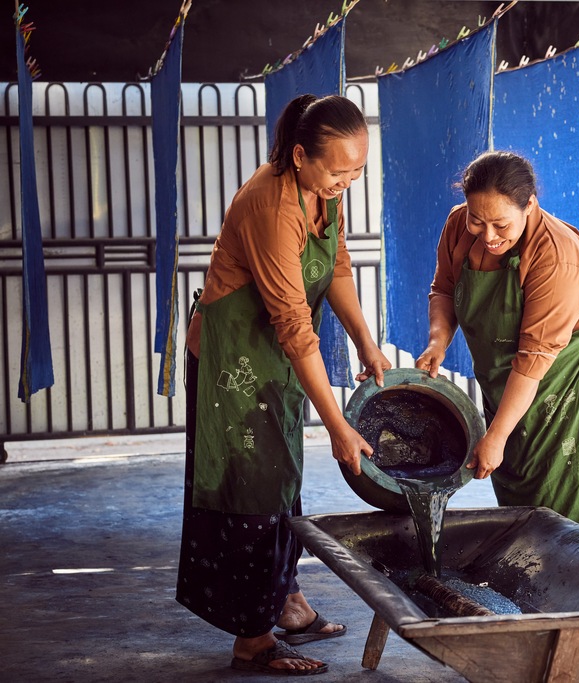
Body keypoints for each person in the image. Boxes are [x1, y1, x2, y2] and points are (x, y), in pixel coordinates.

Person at [176, 94, 390, 676]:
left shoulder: (322, 193)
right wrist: (339, 427)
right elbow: (295, 329)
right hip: (234, 360)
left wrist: (366, 343)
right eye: (338, 170)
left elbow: (337, 264)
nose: (347, 181)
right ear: (299, 156)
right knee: (252, 491)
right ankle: (253, 639)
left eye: (357, 171)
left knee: (283, 480)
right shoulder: (273, 207)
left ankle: (287, 603)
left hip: (273, 355)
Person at [415, 150, 579, 543]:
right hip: (507, 366)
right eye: (477, 220)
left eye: (501, 224)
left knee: (563, 468)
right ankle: (530, 563)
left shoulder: (557, 254)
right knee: (517, 461)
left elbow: (533, 358)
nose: (488, 235)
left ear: (530, 205)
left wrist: (494, 437)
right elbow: (444, 290)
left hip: (569, 359)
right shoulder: (457, 227)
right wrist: (437, 343)